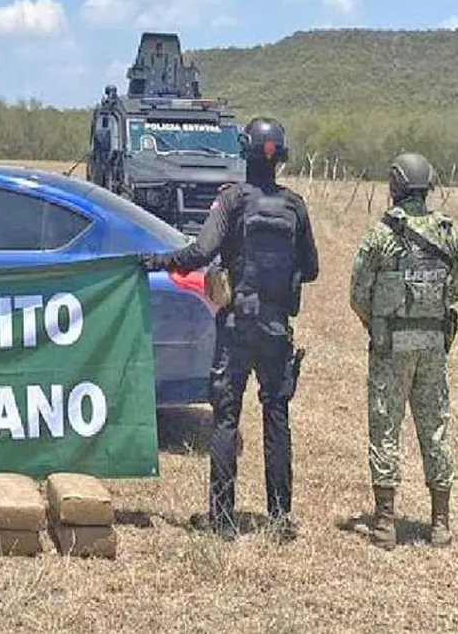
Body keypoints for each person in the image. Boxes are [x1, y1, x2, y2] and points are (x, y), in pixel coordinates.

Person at [142, 117, 319, 542]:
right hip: (277, 328)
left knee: (225, 420)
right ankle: (279, 521)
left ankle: (222, 520)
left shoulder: (232, 201)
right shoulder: (295, 206)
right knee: (277, 418)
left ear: (245, 154)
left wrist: (157, 262)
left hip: (237, 324)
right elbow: (311, 269)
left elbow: (199, 252)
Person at [349, 152, 457, 550]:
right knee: (437, 429)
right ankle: (441, 523)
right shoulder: (449, 232)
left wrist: (376, 323)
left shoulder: (380, 234)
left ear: (395, 185)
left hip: (390, 346)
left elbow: (358, 293)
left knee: (385, 427)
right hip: (432, 347)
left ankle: (385, 523)